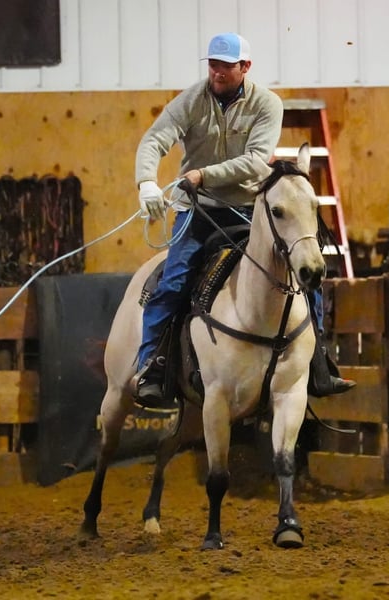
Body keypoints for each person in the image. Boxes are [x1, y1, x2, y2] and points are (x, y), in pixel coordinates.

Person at [130, 32, 355, 410]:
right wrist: (147, 182)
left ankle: (318, 361)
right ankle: (153, 366)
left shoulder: (267, 104)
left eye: (225, 65)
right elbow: (155, 140)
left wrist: (203, 175)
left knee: (304, 273)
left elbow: (255, 160)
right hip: (198, 209)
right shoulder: (191, 100)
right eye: (213, 64)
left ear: (244, 67)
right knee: (173, 282)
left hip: (249, 210)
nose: (217, 72)